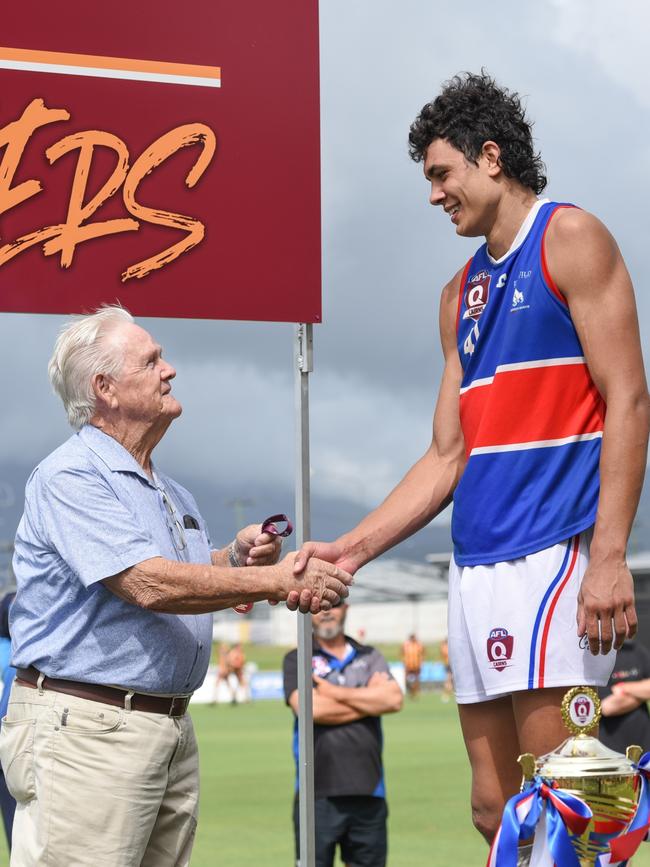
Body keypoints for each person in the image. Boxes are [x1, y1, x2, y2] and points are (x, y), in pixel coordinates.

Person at [293, 71, 650, 859]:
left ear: (491, 157)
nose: (433, 195)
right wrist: (349, 552)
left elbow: (628, 399)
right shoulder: (458, 295)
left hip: (554, 555)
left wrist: (611, 552)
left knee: (566, 802)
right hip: (475, 565)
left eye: (440, 173)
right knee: (494, 807)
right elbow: (447, 454)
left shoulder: (571, 238)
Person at [1, 305, 351, 867]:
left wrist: (233, 557)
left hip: (162, 726)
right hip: (89, 731)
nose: (171, 370)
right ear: (105, 388)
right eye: (153, 360)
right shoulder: (70, 476)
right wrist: (274, 579)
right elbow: (144, 583)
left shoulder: (169, 489)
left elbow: (170, 573)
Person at [283, 600, 402, 867]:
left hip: (369, 790)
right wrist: (368, 700)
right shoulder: (297, 657)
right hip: (315, 793)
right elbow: (310, 709)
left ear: (346, 608)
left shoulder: (369, 655)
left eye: (334, 604)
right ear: (308, 613)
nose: (327, 611)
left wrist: (334, 692)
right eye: (319, 606)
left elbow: (393, 700)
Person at [599, 639, 650, 755]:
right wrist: (642, 693)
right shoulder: (598, 657)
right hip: (611, 751)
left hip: (645, 748)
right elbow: (608, 707)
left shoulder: (636, 650)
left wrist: (625, 688)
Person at [400, 633, 425, 699]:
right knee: (406, 679)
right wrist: (403, 661)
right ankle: (410, 690)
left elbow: (423, 653)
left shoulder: (419, 645)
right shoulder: (405, 645)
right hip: (408, 665)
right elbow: (401, 653)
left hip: (416, 665)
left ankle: (414, 692)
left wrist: (421, 661)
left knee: (417, 680)